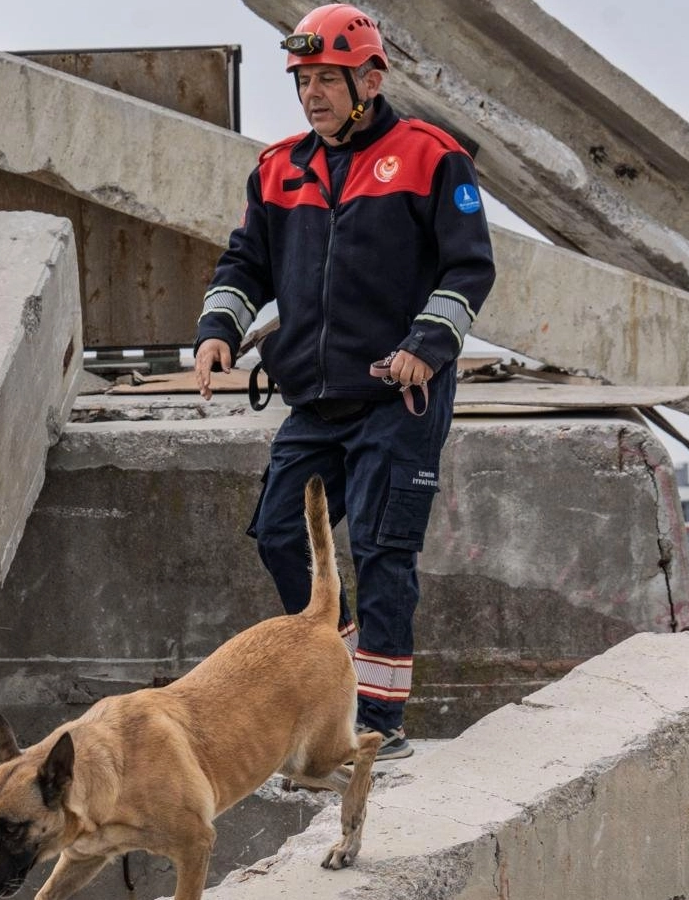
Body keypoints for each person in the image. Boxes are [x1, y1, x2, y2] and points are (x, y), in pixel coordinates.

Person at [192, 3, 495, 759]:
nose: (312, 95)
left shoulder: (432, 157)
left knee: (384, 549)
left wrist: (429, 343)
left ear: (368, 77)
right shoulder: (277, 167)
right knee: (277, 535)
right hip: (315, 398)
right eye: (303, 81)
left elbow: (469, 266)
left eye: (327, 79)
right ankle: (344, 662)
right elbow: (245, 265)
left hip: (400, 394)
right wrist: (217, 332)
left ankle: (379, 721)